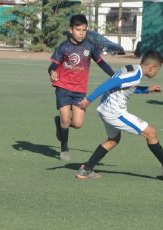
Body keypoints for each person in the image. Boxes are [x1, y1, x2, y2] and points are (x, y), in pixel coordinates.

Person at [77, 50, 163, 180]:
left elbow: (127, 86)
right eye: (158, 70)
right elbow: (110, 83)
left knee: (113, 140)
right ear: (152, 68)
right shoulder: (135, 75)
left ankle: (86, 170)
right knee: (151, 133)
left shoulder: (133, 69)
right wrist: (88, 100)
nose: (157, 73)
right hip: (114, 112)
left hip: (105, 109)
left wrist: (147, 89)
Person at [48, 14, 114, 161]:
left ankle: (60, 125)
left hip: (79, 90)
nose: (81, 33)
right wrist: (52, 72)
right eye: (78, 30)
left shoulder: (89, 46)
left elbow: (101, 63)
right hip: (63, 87)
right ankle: (64, 148)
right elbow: (52, 66)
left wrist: (114, 76)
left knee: (77, 124)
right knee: (66, 119)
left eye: (84, 30)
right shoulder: (64, 47)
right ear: (71, 30)